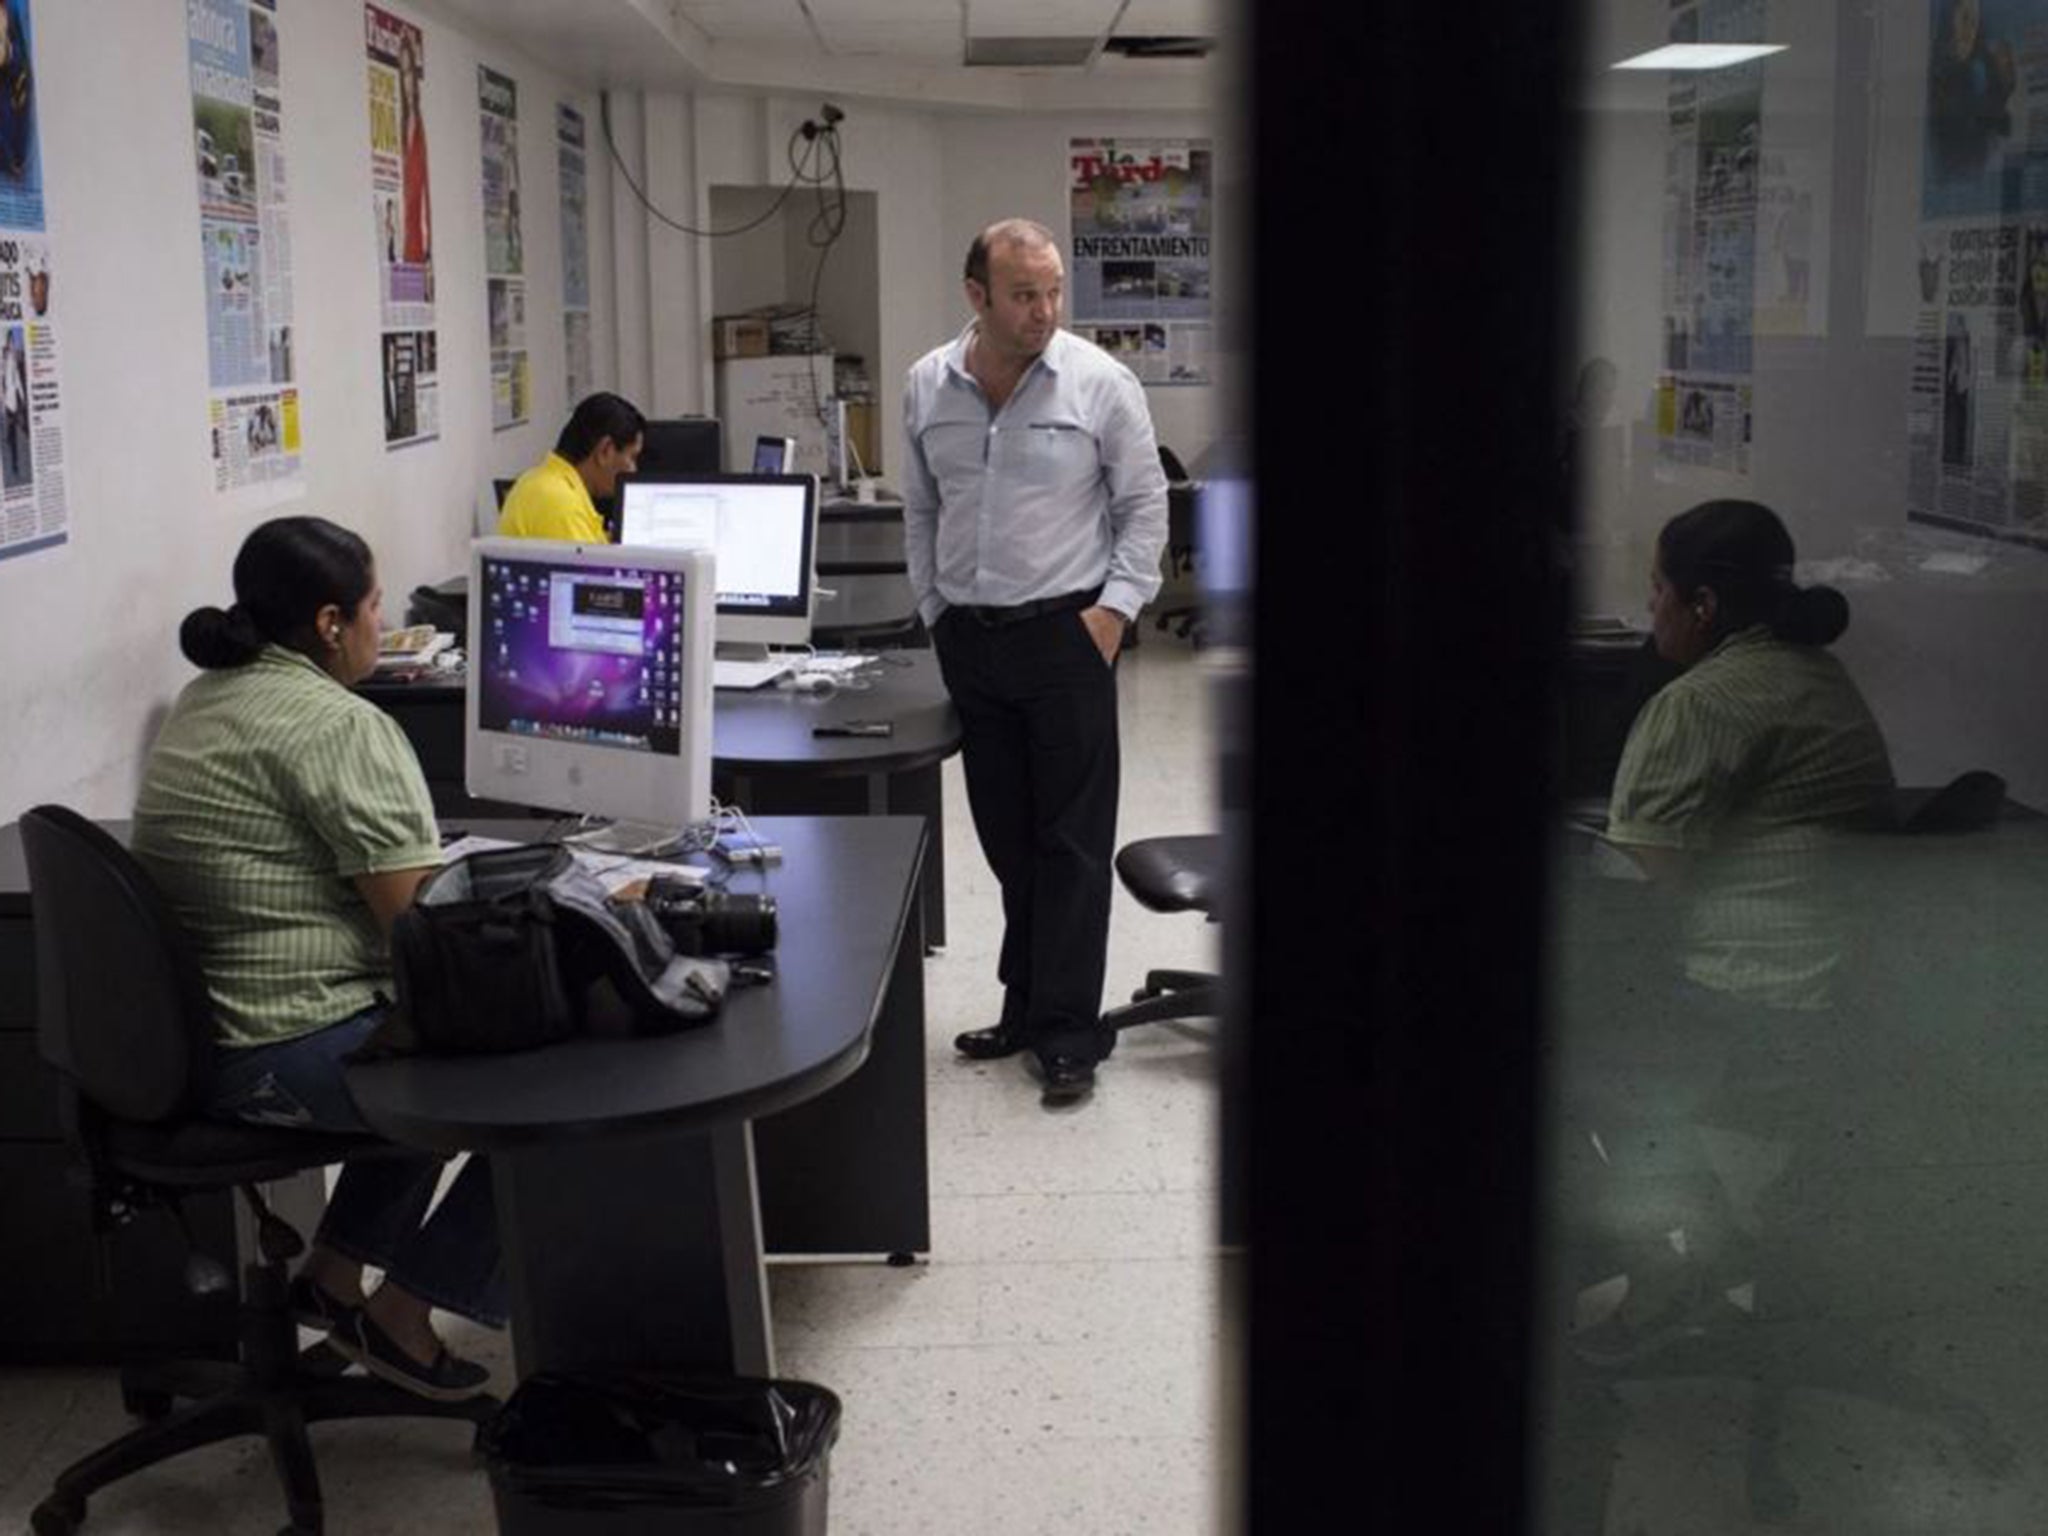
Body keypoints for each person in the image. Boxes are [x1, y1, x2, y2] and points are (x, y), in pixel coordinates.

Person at [131, 517, 500, 1402]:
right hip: (274, 1050)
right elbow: (420, 942)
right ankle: (408, 1316)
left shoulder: (209, 695)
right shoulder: (341, 728)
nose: (385, 622)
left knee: (415, 1035)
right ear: (332, 623)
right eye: (377, 605)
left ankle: (333, 1283)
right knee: (542, 1087)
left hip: (188, 1045)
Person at [1569, 499, 1894, 1361]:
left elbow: (1648, 878)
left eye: (1657, 592)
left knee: (1536, 1050)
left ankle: (1671, 1261)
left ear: (1702, 606)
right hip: (1841, 995)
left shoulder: (1704, 701)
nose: (1650, 613)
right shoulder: (1818, 674)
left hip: (1752, 1001)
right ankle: (1709, 1242)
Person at [902, 216, 1169, 1104]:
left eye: (1054, 291)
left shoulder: (1101, 384)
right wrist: (935, 610)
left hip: (1066, 638)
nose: (1045, 310)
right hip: (972, 642)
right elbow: (921, 510)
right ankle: (1024, 1005)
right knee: (1010, 841)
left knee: (1073, 845)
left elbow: (1144, 509)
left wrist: (1113, 615)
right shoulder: (927, 386)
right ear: (976, 295)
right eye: (1025, 294)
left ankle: (1067, 1033)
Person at [496, 391, 644, 542]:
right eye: (632, 457)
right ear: (605, 451)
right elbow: (587, 565)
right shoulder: (560, 502)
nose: (633, 470)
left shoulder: (547, 481)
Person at [398, 31, 431, 267]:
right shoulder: (402, 125)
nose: (407, 81)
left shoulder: (419, 129)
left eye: (410, 73)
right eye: (403, 73)